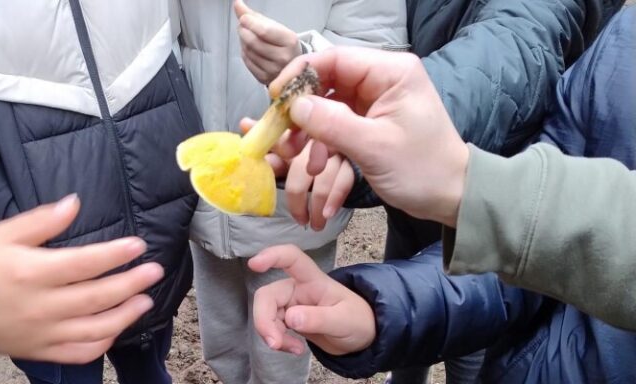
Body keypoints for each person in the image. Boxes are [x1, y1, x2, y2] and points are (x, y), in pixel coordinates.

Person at [250, 6, 636, 382]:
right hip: (429, 221)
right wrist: (380, 309)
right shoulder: (621, 44)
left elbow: (515, 45)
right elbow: (537, 252)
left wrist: (450, 173)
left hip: (455, 192)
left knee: (465, 360)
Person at [0, 1, 202, 383]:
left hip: (156, 237)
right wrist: (31, 235)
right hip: (43, 272)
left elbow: (174, 50)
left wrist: (171, 198)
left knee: (149, 360)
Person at [175, 0, 406, 382]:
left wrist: (304, 63)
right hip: (209, 186)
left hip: (291, 200)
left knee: (279, 349)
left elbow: (379, 45)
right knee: (222, 342)